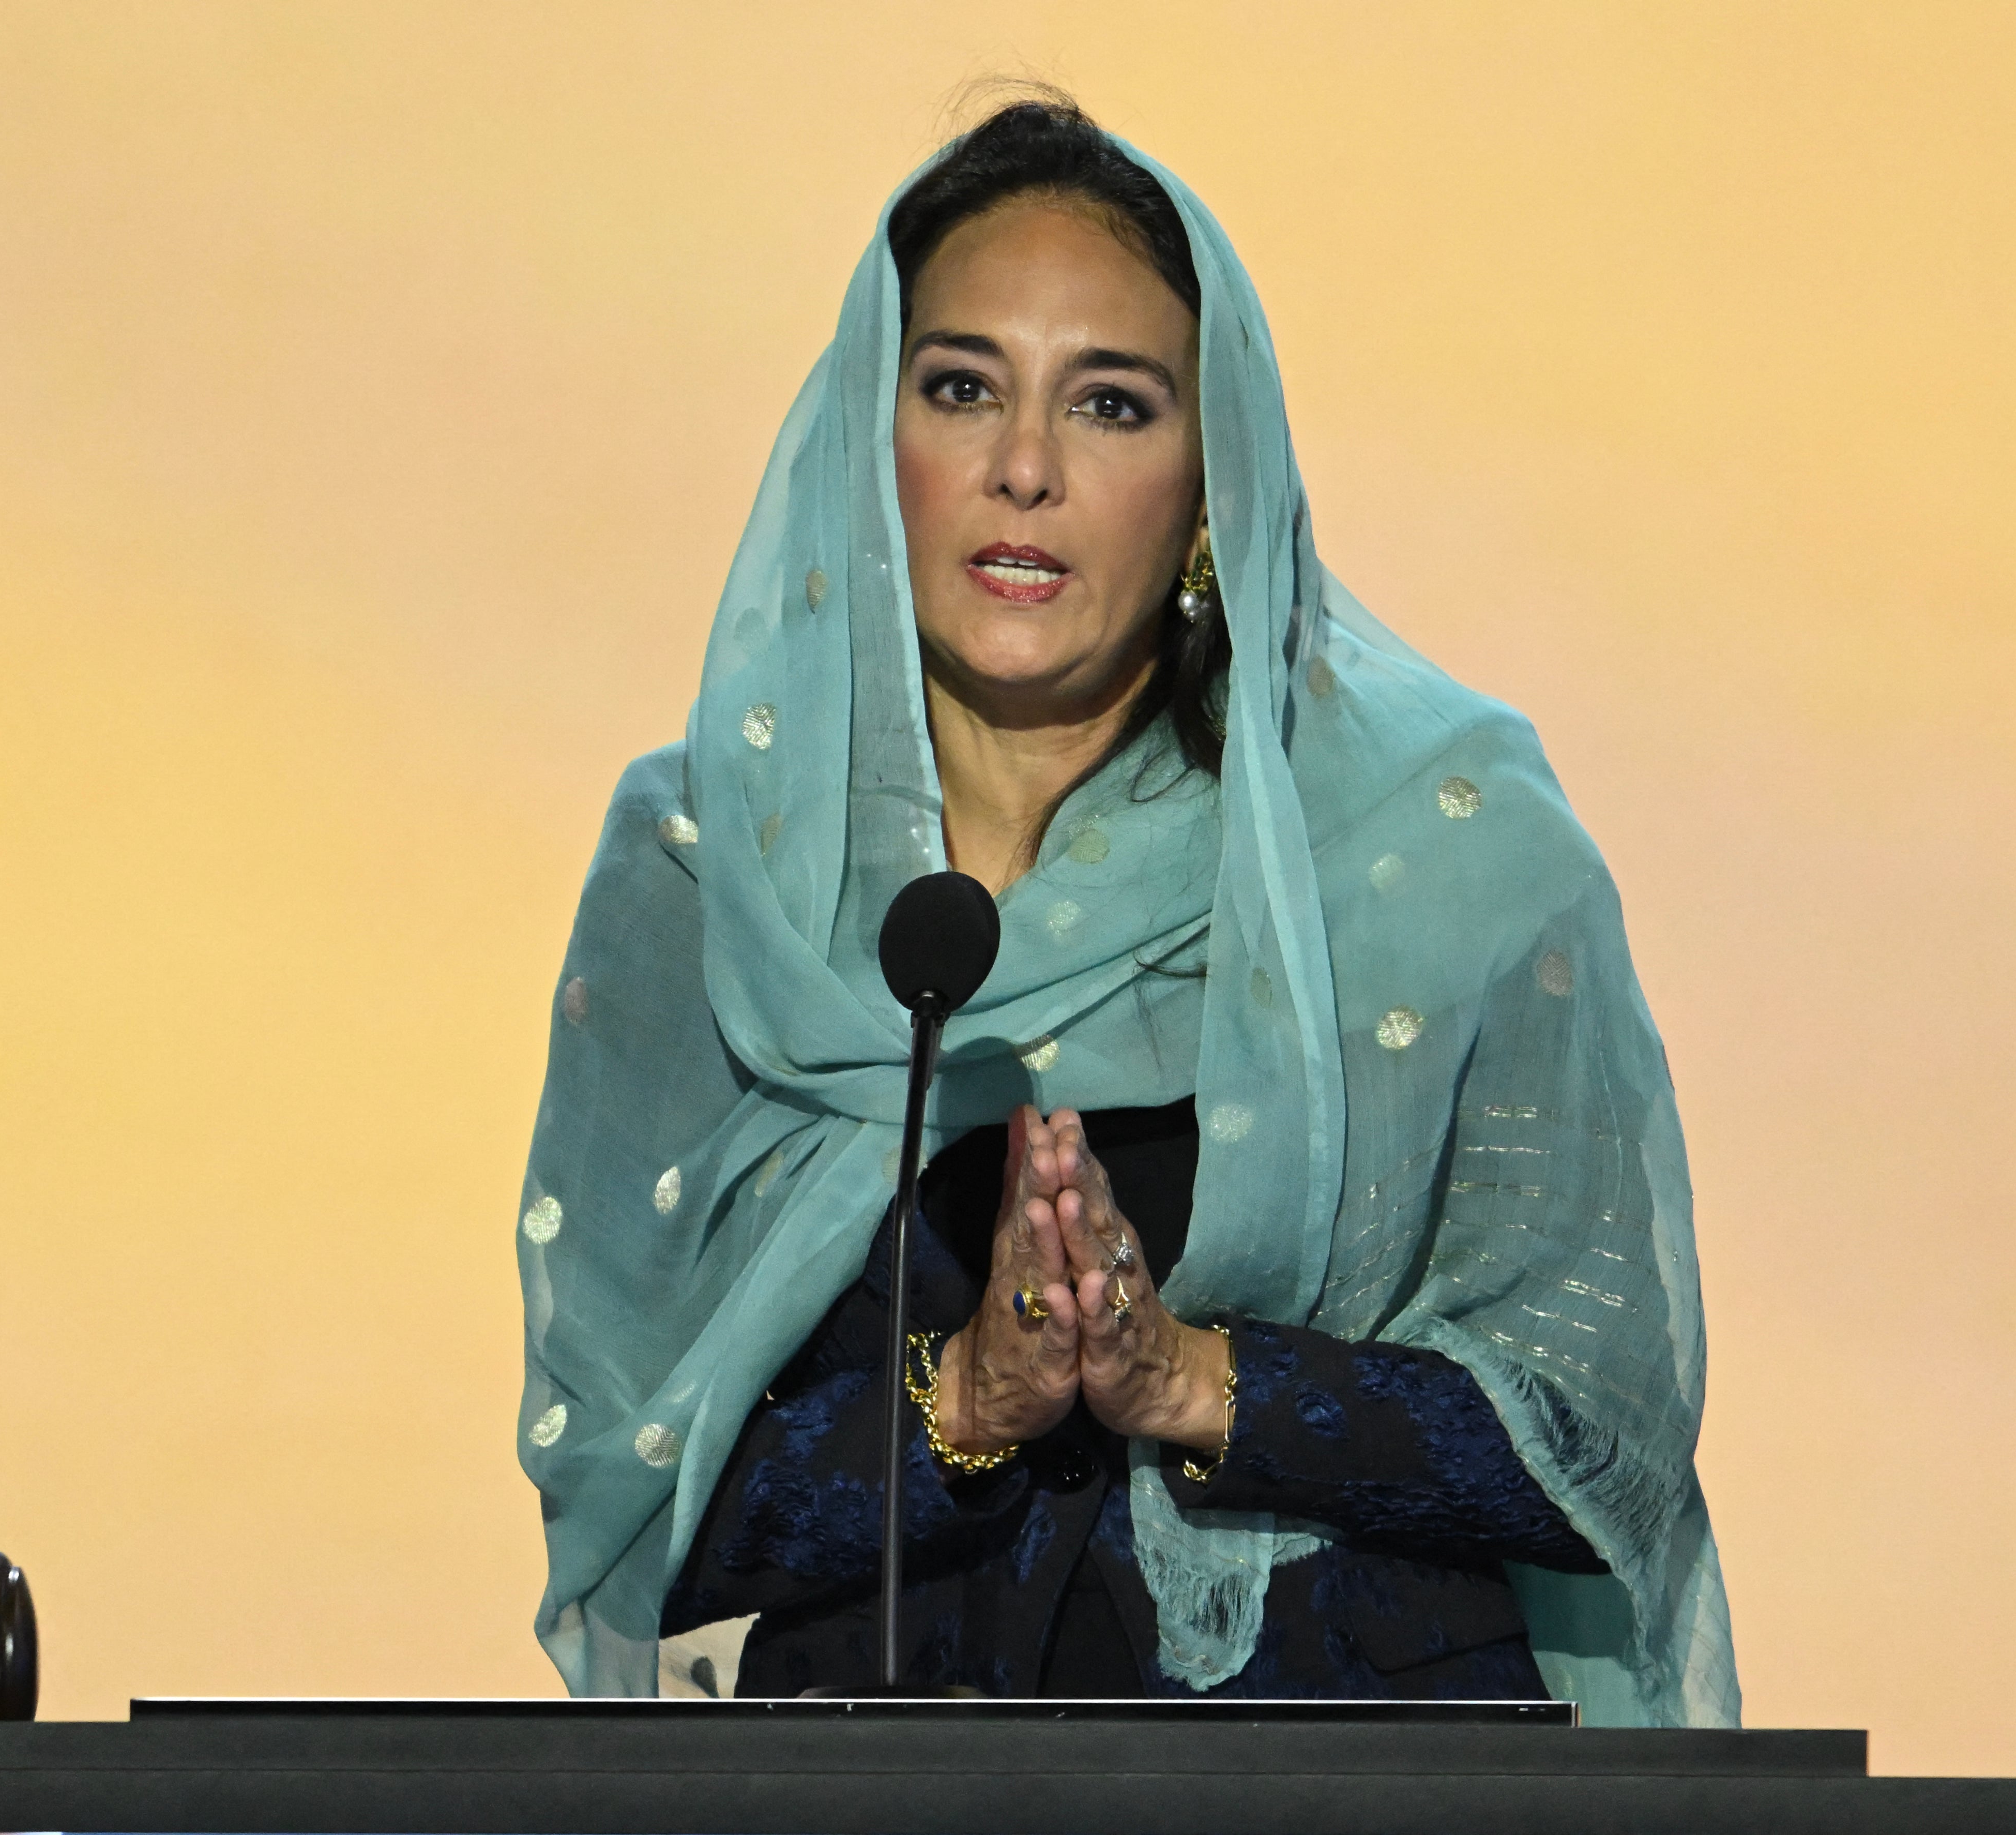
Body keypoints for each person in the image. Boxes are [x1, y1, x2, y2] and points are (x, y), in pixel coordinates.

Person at [515, 95, 1736, 1722]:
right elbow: (639, 1494)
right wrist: (970, 1395)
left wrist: (1189, 1378)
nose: (1023, 470)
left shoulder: (1437, 851)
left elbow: (1595, 1443)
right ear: (865, 444)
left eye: (1109, 405)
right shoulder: (707, 864)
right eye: (961, 389)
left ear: (1214, 480)